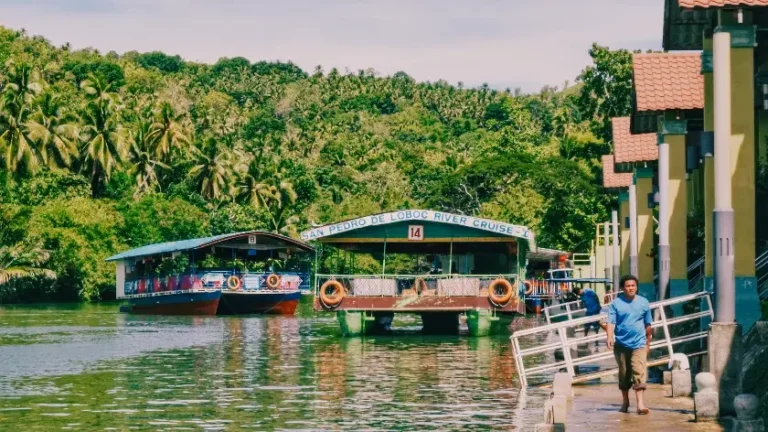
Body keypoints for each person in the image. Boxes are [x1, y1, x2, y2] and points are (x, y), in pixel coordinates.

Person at [606, 275, 653, 415]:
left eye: (633, 285)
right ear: (622, 288)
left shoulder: (644, 303)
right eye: (628, 286)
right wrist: (609, 336)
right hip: (621, 344)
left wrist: (648, 343)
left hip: (639, 343)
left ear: (636, 287)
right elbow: (611, 322)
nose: (631, 288)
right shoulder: (616, 303)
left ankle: (640, 405)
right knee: (624, 373)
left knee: (639, 371)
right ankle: (625, 402)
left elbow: (648, 324)